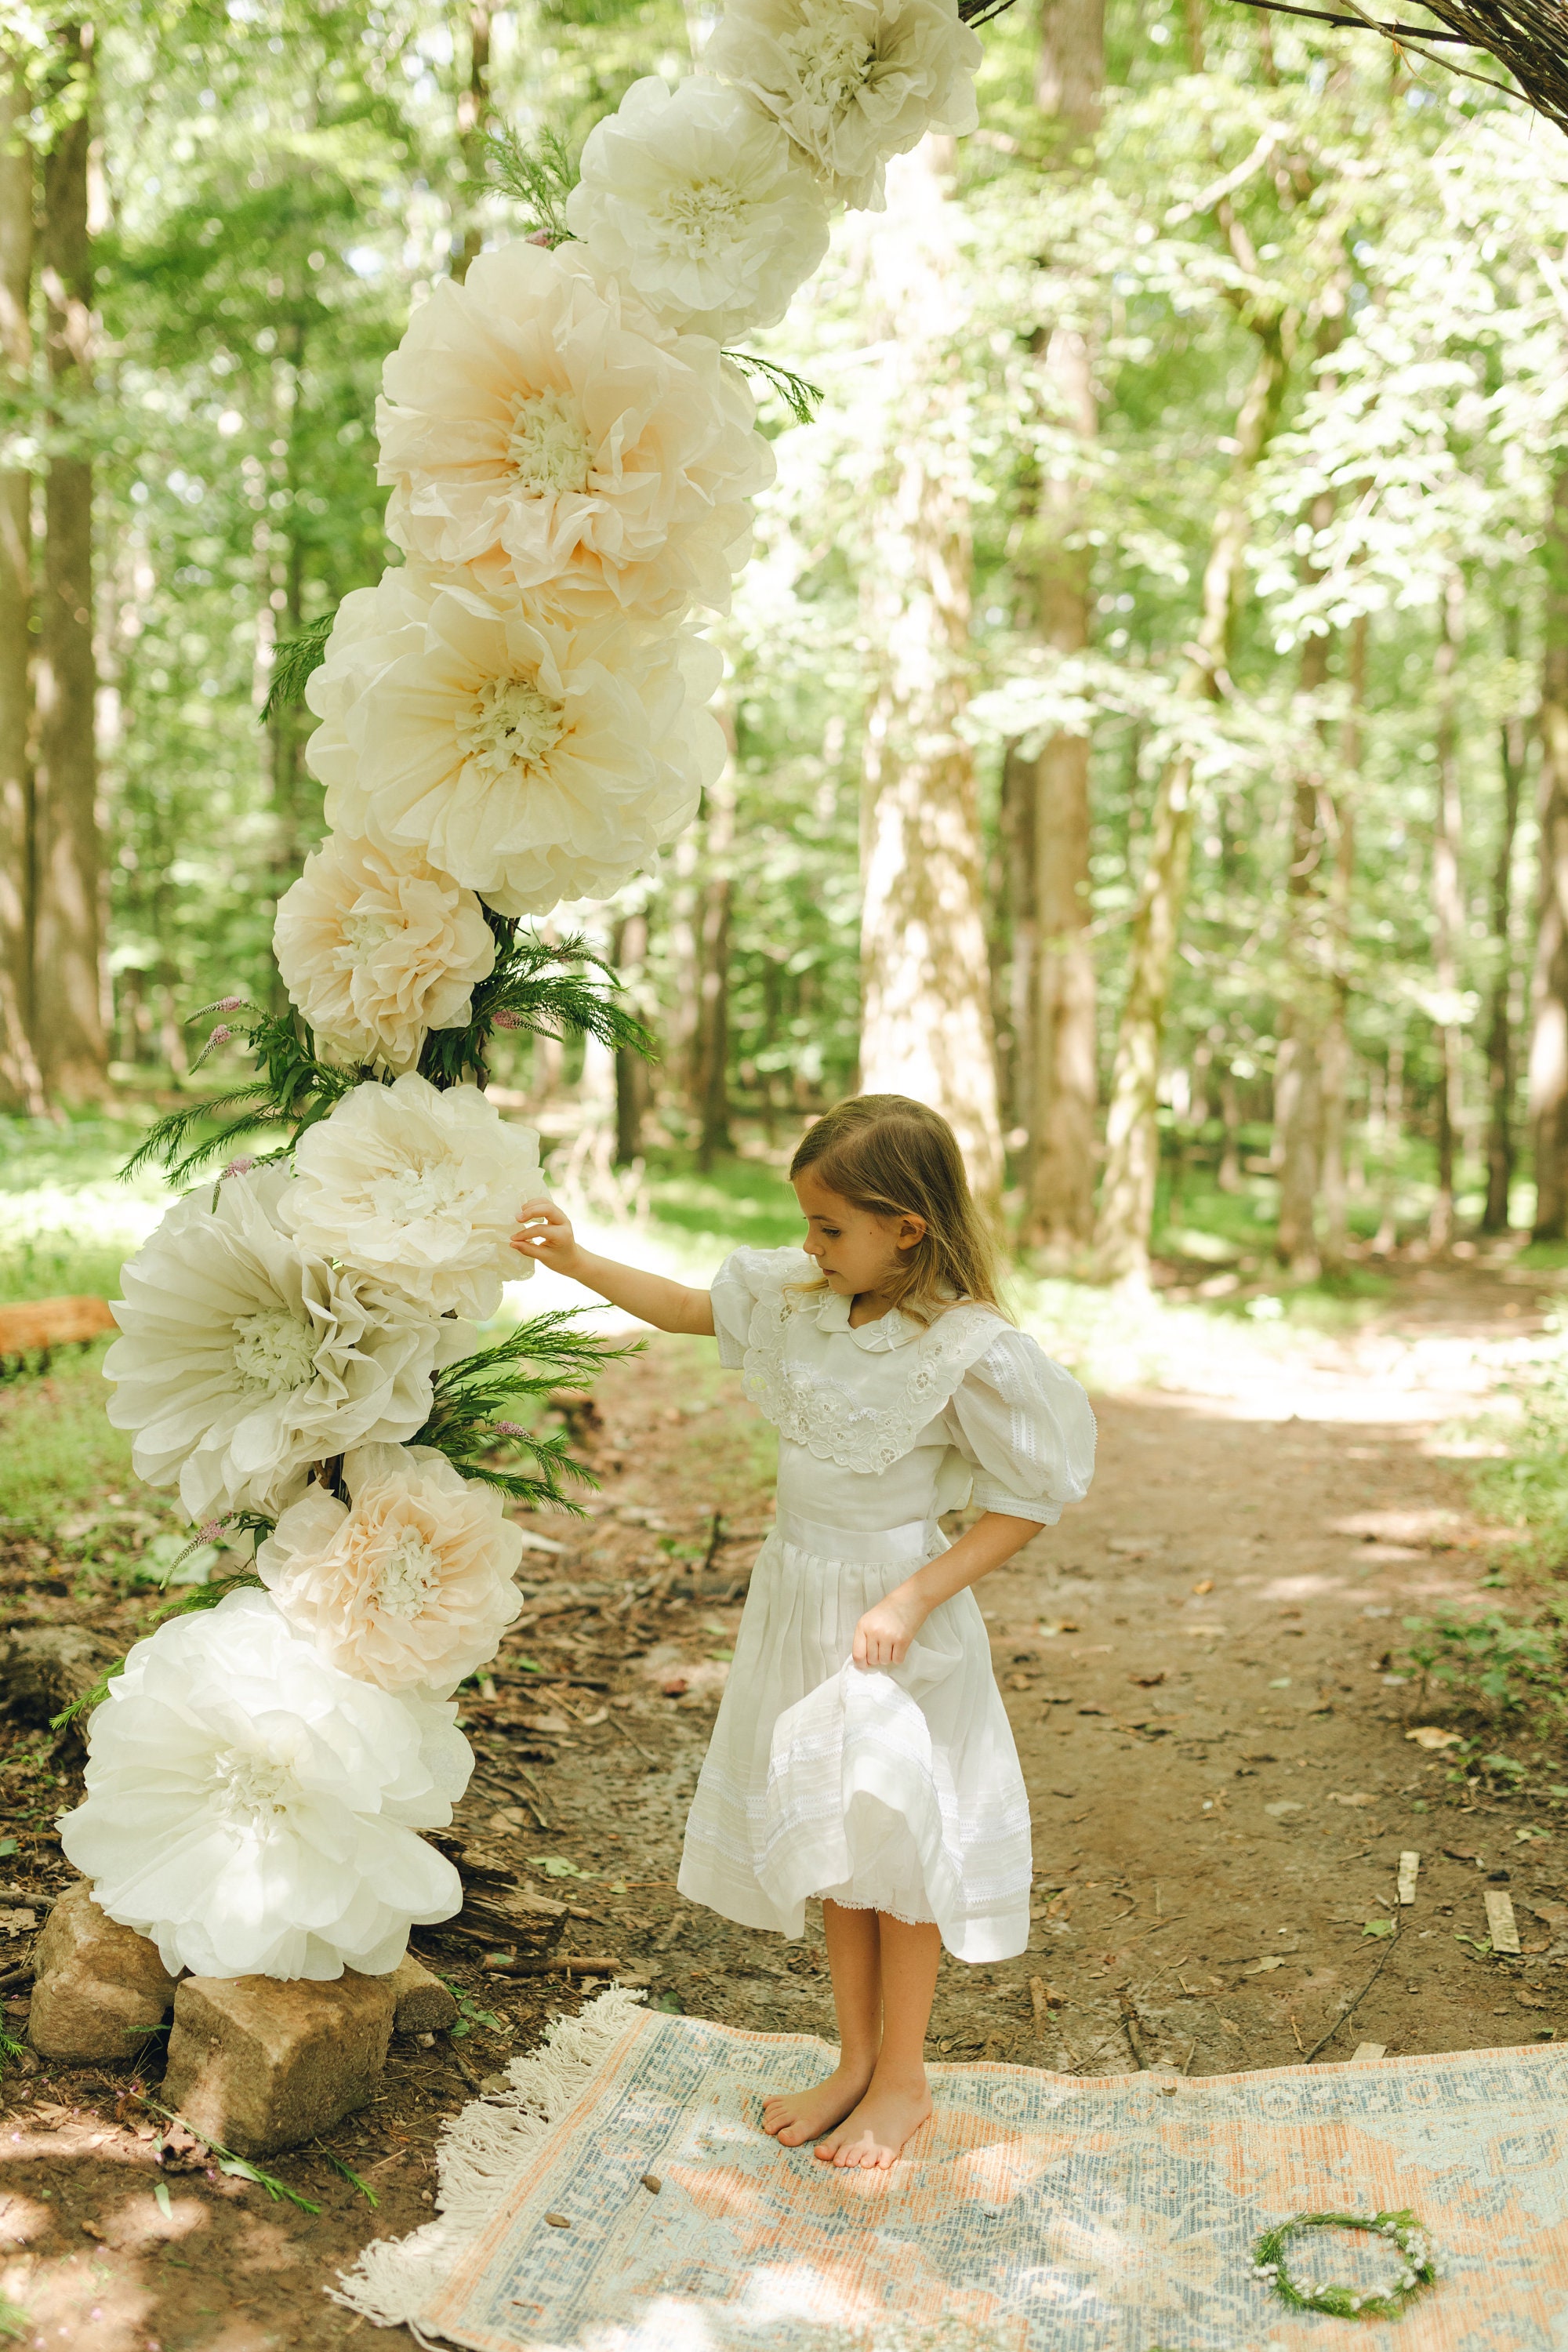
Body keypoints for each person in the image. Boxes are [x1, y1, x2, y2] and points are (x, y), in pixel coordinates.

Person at [511, 1094, 1095, 2169]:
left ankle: (907, 2082)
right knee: (837, 1840)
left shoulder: (964, 1348)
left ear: (905, 1228)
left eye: (831, 1228)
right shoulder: (803, 1298)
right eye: (811, 1225)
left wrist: (914, 1595)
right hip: (801, 1605)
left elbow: (1032, 1498)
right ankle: (855, 2062)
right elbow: (690, 1307)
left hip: (893, 1620)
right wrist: (580, 1262)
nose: (811, 1246)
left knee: (898, 1844)